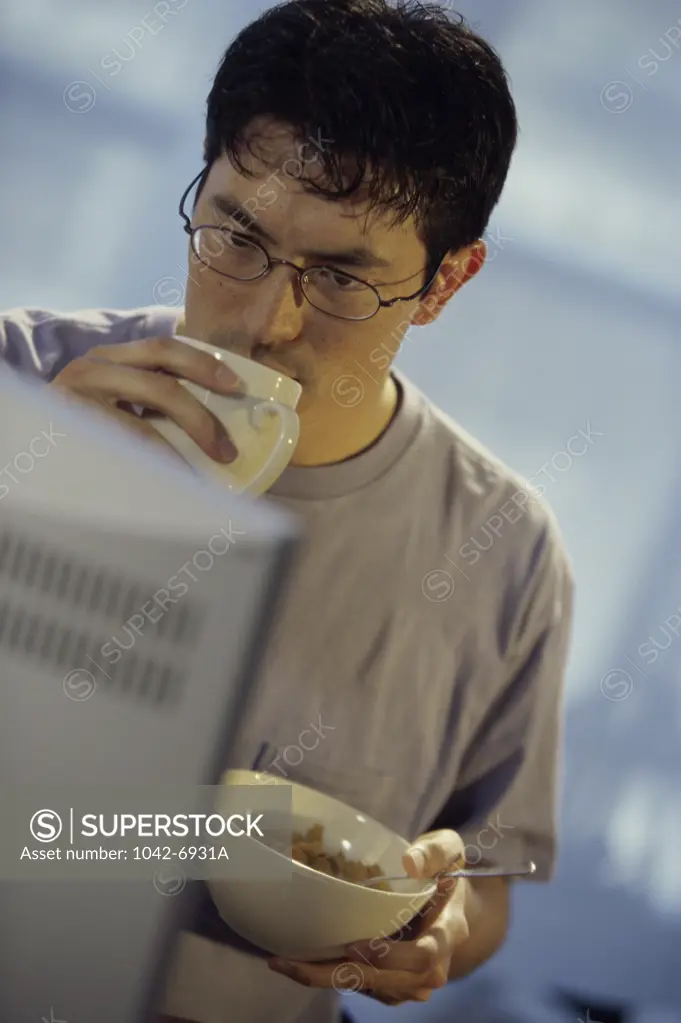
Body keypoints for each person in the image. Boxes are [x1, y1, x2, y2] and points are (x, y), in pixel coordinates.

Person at [0, 1, 574, 1020]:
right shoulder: (24, 384)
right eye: (237, 234)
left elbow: (482, 880)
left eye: (345, 277)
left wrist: (441, 932)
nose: (267, 321)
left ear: (447, 281)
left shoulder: (508, 555)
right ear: (207, 175)